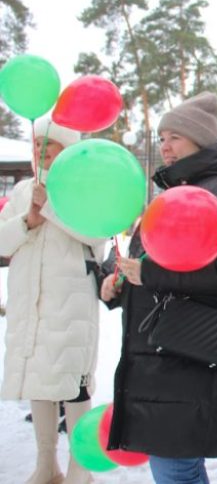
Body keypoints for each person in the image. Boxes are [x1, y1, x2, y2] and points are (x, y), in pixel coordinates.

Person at [99, 92, 217, 484]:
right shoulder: (173, 193)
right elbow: (149, 257)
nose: (165, 147)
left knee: (176, 471)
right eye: (162, 138)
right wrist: (117, 282)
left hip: (190, 357)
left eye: (175, 137)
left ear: (200, 140)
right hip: (162, 357)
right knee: (175, 469)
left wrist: (148, 275)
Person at [0, 116, 106, 484]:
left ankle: (81, 465)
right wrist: (28, 218)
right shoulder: (22, 191)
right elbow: (2, 242)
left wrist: (50, 207)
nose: (41, 152)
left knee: (73, 385)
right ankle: (46, 463)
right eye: (37, 145)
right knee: (38, 383)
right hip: (29, 302)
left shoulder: (83, 187)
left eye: (51, 146)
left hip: (70, 303)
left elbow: (97, 235)